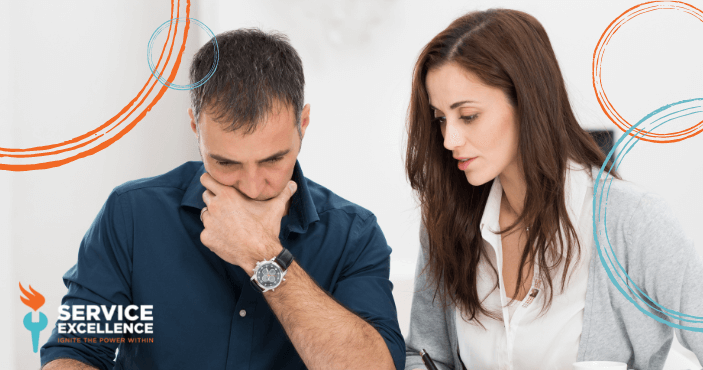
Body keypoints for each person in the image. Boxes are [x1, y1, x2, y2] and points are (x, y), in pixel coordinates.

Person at [41, 28, 404, 370]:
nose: (251, 186)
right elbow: (75, 350)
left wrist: (262, 255)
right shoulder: (132, 216)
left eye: (273, 159)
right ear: (195, 127)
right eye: (226, 162)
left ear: (303, 124)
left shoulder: (353, 236)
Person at [403, 9, 703, 370]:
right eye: (440, 119)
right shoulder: (447, 219)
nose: (450, 140)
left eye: (468, 116)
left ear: (528, 102)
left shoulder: (633, 221)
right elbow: (425, 356)